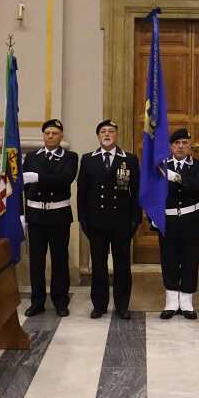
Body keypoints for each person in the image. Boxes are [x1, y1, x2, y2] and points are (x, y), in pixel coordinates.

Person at [77, 119, 140, 320]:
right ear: (98, 136)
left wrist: (135, 219)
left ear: (116, 135)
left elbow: (136, 191)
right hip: (96, 223)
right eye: (103, 131)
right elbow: (82, 192)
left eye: (111, 131)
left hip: (122, 222)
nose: (107, 134)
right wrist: (83, 219)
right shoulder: (88, 159)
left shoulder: (129, 159)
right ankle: (99, 305)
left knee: (122, 265)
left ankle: (122, 305)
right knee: (98, 265)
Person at [22, 118, 77, 317]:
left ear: (61, 136)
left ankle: (60, 300)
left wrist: (37, 178)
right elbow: (26, 187)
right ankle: (37, 301)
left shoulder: (70, 157)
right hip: (36, 214)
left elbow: (65, 180)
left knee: (59, 259)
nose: (50, 136)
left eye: (54, 133)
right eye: (47, 133)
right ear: (43, 136)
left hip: (58, 214)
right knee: (36, 260)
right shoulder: (31, 157)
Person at [159, 128, 199, 320]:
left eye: (184, 143)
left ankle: (186, 302)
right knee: (169, 259)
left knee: (190, 259)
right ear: (170, 146)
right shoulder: (160, 165)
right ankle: (171, 302)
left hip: (191, 219)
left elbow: (196, 185)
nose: (180, 147)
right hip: (168, 219)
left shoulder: (198, 165)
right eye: (176, 143)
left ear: (189, 146)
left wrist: (174, 177)